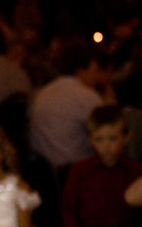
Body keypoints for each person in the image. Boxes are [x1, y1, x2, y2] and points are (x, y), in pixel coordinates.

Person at [28, 41, 107, 172]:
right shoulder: (86, 96)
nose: (96, 76)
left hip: (41, 170)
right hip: (73, 171)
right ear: (80, 71)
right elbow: (108, 130)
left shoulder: (43, 91)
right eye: (94, 71)